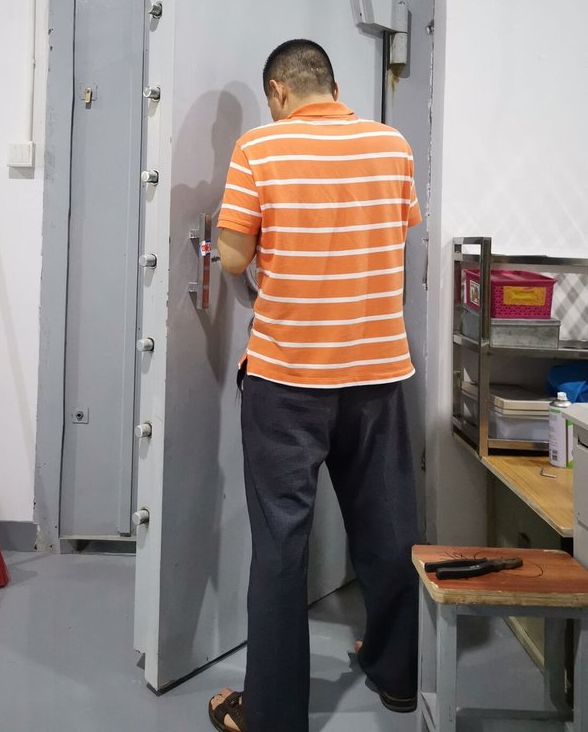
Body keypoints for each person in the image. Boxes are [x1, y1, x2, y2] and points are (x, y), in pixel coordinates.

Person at [207, 39, 422, 732]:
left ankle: (273, 717)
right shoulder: (393, 146)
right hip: (377, 374)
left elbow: (233, 256)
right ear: (332, 84)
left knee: (281, 547)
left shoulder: (258, 150)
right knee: (389, 529)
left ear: (278, 91)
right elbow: (393, 238)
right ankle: (397, 675)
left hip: (288, 379)